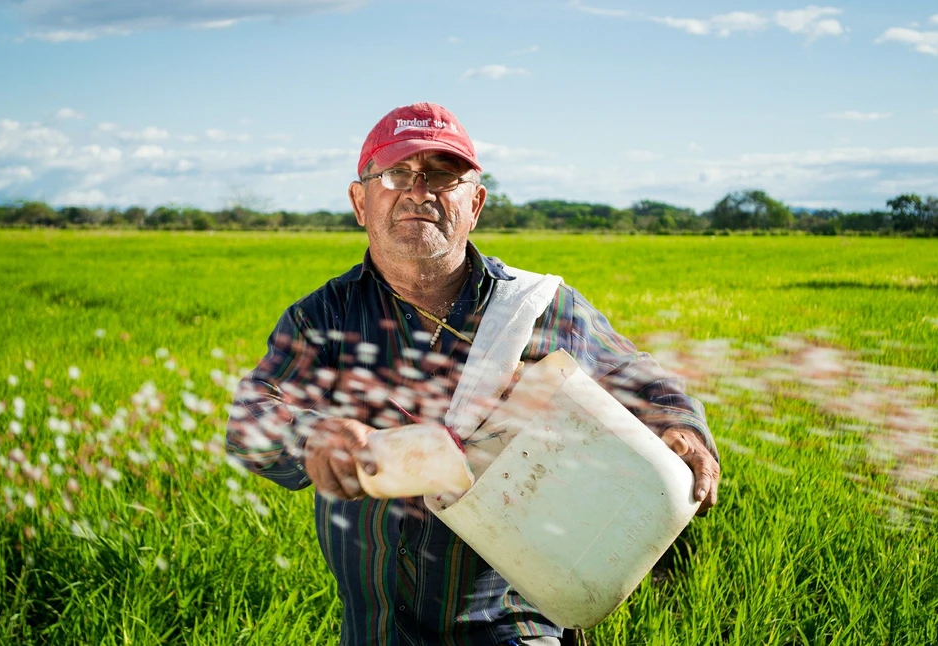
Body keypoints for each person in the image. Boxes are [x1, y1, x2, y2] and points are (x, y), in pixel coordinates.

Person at [226, 102, 720, 646]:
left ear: (475, 203)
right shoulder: (323, 318)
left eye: (442, 175)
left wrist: (682, 426)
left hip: (515, 622)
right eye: (395, 174)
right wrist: (311, 436)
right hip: (375, 628)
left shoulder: (535, 307)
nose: (419, 191)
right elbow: (249, 419)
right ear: (359, 201)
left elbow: (634, 374)